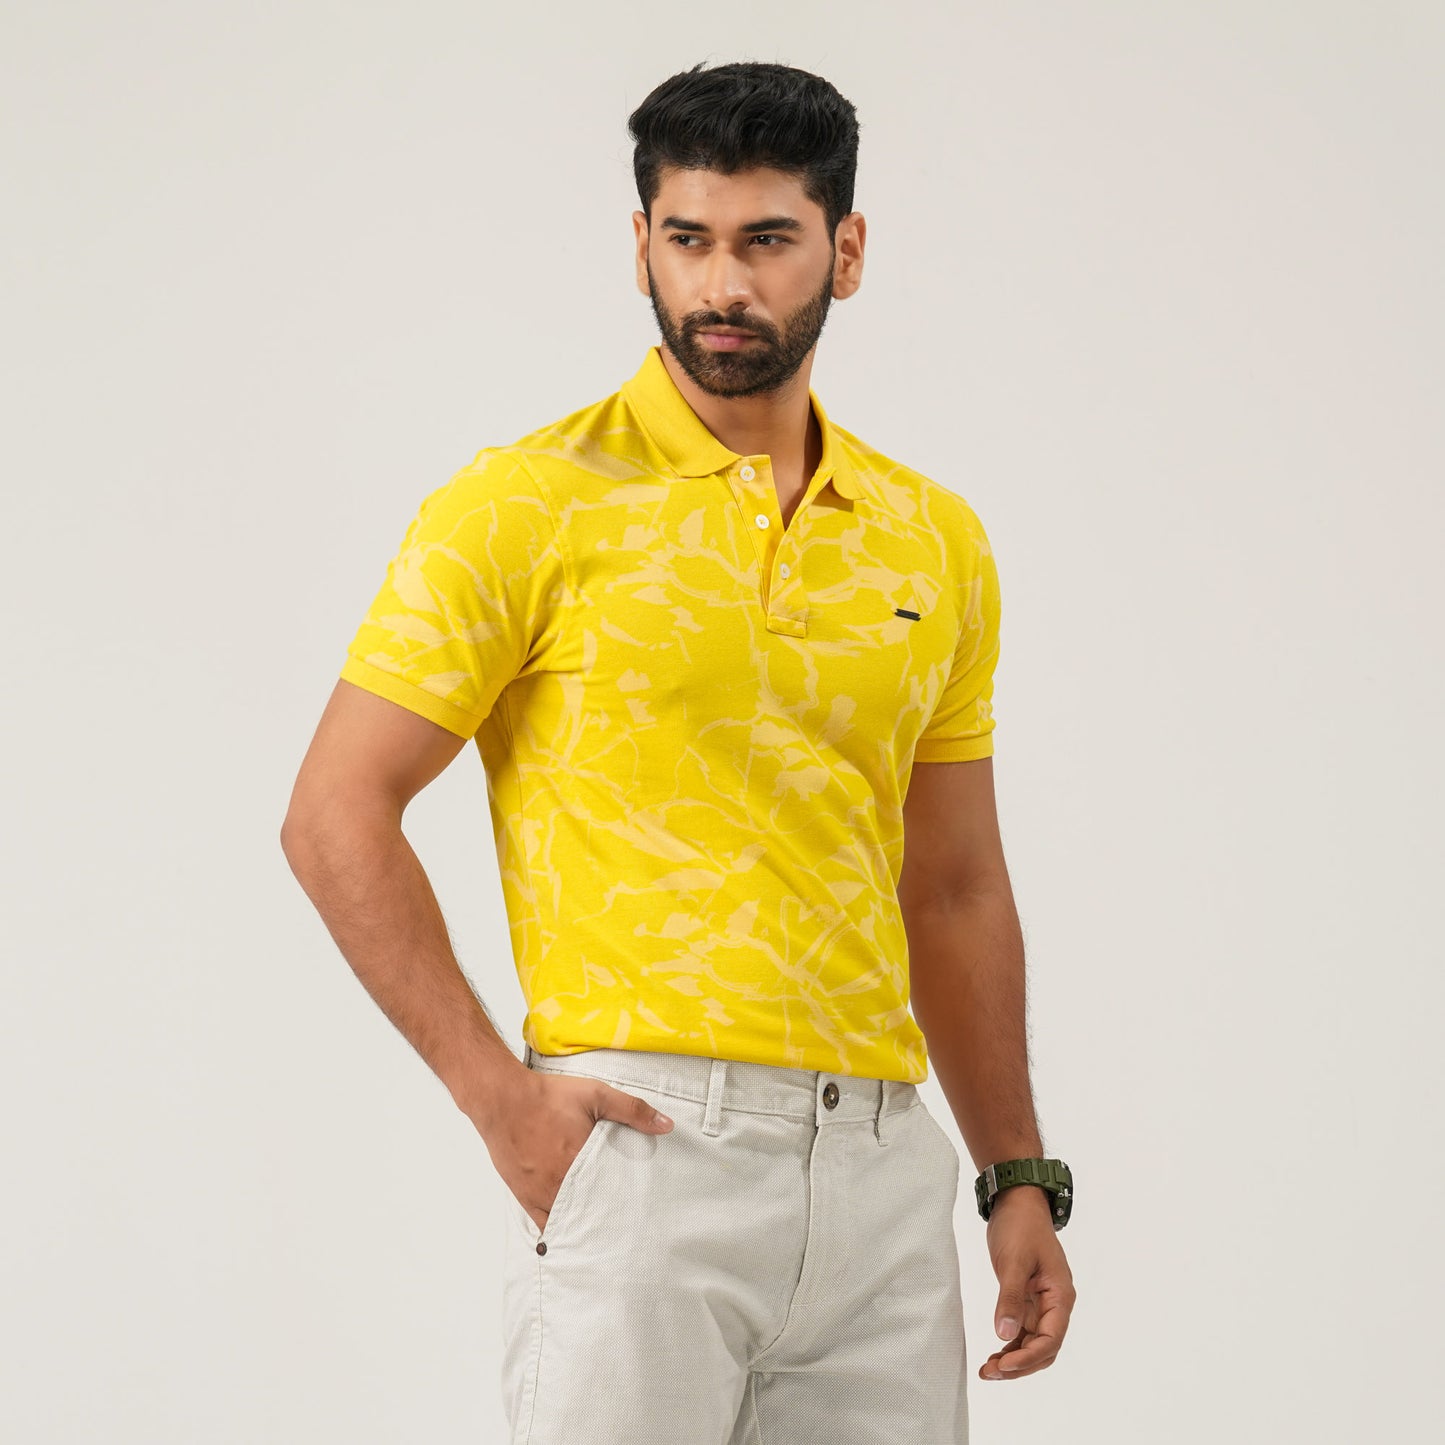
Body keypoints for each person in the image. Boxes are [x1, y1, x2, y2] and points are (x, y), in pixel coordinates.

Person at [281, 58, 1075, 1444]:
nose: (721, 285)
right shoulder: (527, 503)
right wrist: (500, 1101)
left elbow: (951, 883)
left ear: (845, 251)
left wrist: (1015, 1172)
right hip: (646, 1149)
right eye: (687, 238)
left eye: (766, 240)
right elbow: (335, 810)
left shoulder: (930, 538)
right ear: (640, 242)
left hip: (882, 1174)